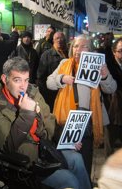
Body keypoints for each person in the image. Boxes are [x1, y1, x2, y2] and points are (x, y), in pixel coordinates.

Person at [0, 57, 91, 189]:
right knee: (70, 181)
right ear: (5, 79)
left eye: (26, 80)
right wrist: (26, 114)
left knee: (77, 159)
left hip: (45, 149)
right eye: (17, 80)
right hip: (25, 163)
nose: (23, 86)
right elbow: (8, 147)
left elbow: (49, 120)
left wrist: (65, 138)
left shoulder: (32, 92)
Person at [46, 34, 117, 179]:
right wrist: (62, 79)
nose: (79, 49)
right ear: (72, 48)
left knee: (85, 159)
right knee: (68, 160)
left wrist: (105, 75)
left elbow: (111, 89)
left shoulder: (97, 65)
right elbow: (49, 82)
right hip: (65, 120)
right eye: (76, 46)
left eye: (84, 46)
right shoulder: (64, 64)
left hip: (87, 119)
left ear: (90, 50)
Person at [37, 32, 68, 111]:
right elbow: (41, 76)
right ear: (53, 40)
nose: (59, 40)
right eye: (57, 38)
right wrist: (46, 93)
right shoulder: (46, 55)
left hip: (66, 92)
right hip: (51, 93)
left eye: (61, 38)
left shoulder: (69, 54)